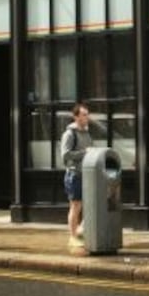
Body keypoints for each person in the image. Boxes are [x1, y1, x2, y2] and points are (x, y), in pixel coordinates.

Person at [61, 103, 92, 248]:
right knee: (76, 206)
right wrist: (84, 153)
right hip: (74, 175)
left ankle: (80, 231)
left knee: (91, 205)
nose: (87, 117)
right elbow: (65, 155)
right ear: (76, 117)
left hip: (87, 174)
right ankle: (73, 237)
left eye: (87, 114)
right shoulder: (69, 134)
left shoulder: (86, 133)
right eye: (84, 114)